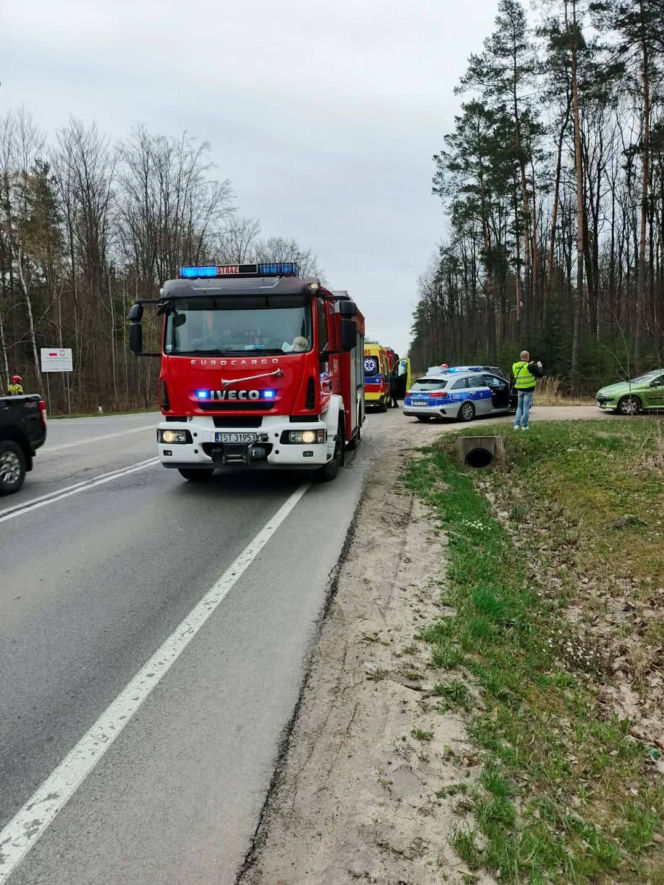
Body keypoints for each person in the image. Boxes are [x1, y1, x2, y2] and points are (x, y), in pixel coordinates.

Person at [511, 351, 543, 430]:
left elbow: (520, 372)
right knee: (525, 407)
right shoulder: (529, 366)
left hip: (519, 389)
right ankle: (524, 426)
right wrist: (540, 366)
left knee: (519, 407)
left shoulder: (514, 366)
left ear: (520, 357)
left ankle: (516, 425)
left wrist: (530, 364)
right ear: (528, 357)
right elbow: (540, 374)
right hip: (528, 390)